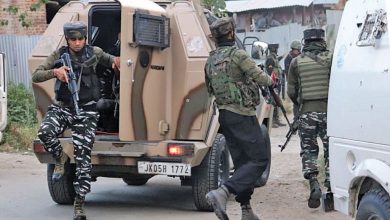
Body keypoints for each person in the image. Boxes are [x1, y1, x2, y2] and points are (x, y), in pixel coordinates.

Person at [31, 21, 120, 220]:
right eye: (73, 39)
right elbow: (36, 75)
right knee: (44, 132)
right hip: (62, 106)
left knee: (83, 158)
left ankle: (79, 203)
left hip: (87, 110)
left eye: (81, 39)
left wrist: (119, 62)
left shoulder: (94, 52)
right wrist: (55, 72)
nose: (78, 43)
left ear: (85, 38)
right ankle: (60, 158)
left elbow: (112, 59)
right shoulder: (58, 55)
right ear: (68, 40)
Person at [204, 17, 274, 220]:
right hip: (242, 115)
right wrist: (271, 81)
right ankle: (223, 191)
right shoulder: (238, 55)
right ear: (232, 33)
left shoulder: (210, 59)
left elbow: (210, 88)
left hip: (224, 116)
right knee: (260, 159)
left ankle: (246, 211)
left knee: (243, 163)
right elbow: (261, 77)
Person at [287, 28, 332, 209]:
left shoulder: (297, 62)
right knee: (331, 151)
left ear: (304, 42)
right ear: (322, 40)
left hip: (307, 113)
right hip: (330, 112)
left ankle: (314, 183)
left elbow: (291, 91)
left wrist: (301, 104)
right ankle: (330, 192)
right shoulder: (332, 59)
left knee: (309, 150)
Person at [265, 43, 285, 128]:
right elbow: (270, 71)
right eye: (276, 49)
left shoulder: (273, 58)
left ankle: (276, 119)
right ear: (274, 49)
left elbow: (276, 63)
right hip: (273, 83)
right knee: (273, 101)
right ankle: (272, 121)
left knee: (277, 101)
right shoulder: (270, 58)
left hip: (277, 82)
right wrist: (273, 83)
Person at [284, 40, 302, 118]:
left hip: (301, 83)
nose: (295, 52)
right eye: (294, 50)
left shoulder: (301, 56)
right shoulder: (288, 59)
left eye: (296, 50)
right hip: (294, 84)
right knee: (296, 103)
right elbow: (289, 74)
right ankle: (296, 119)